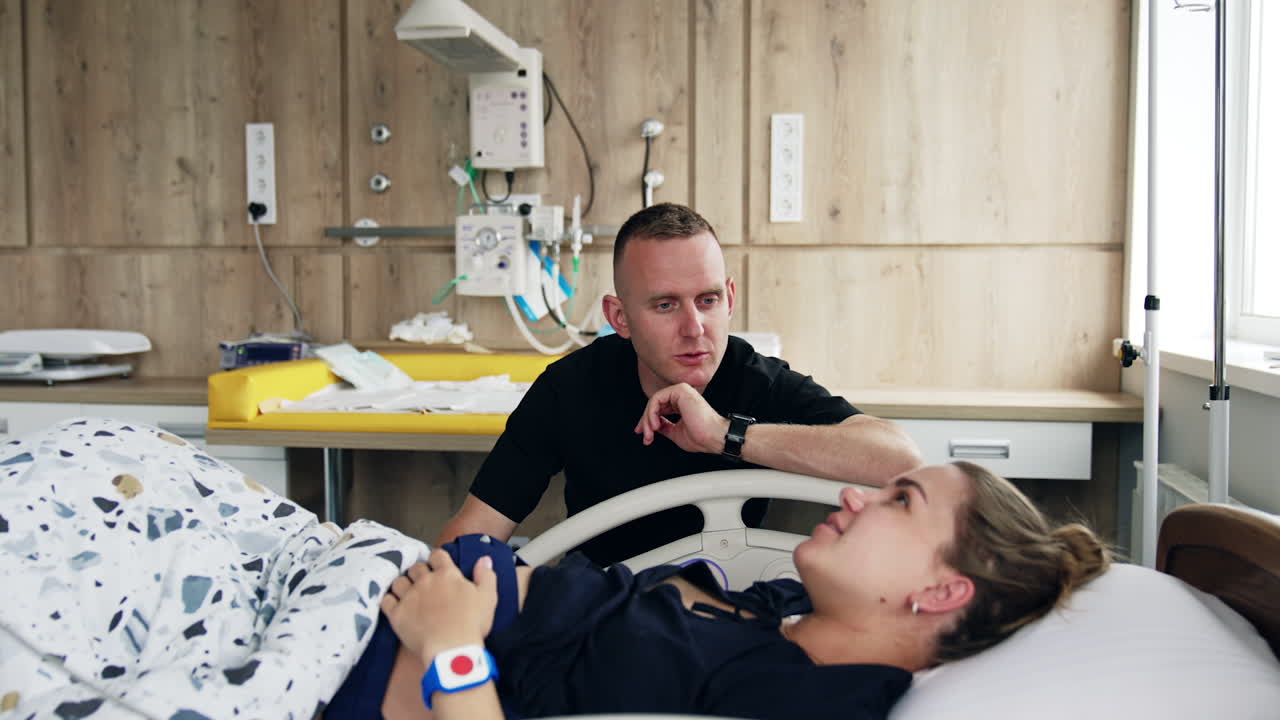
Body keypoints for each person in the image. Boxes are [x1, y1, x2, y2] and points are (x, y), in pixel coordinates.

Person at [359, 460, 1112, 719]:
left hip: (380, 659)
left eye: (899, 501)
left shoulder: (809, 703)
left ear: (943, 592)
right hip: (384, 592)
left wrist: (451, 647)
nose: (855, 497)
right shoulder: (787, 612)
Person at [437, 203, 923, 565]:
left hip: (726, 609)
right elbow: (476, 531)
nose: (695, 328)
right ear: (619, 317)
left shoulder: (759, 381)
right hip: (597, 614)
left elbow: (900, 460)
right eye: (666, 305)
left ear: (730, 297)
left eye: (708, 300)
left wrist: (723, 435)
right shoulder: (570, 387)